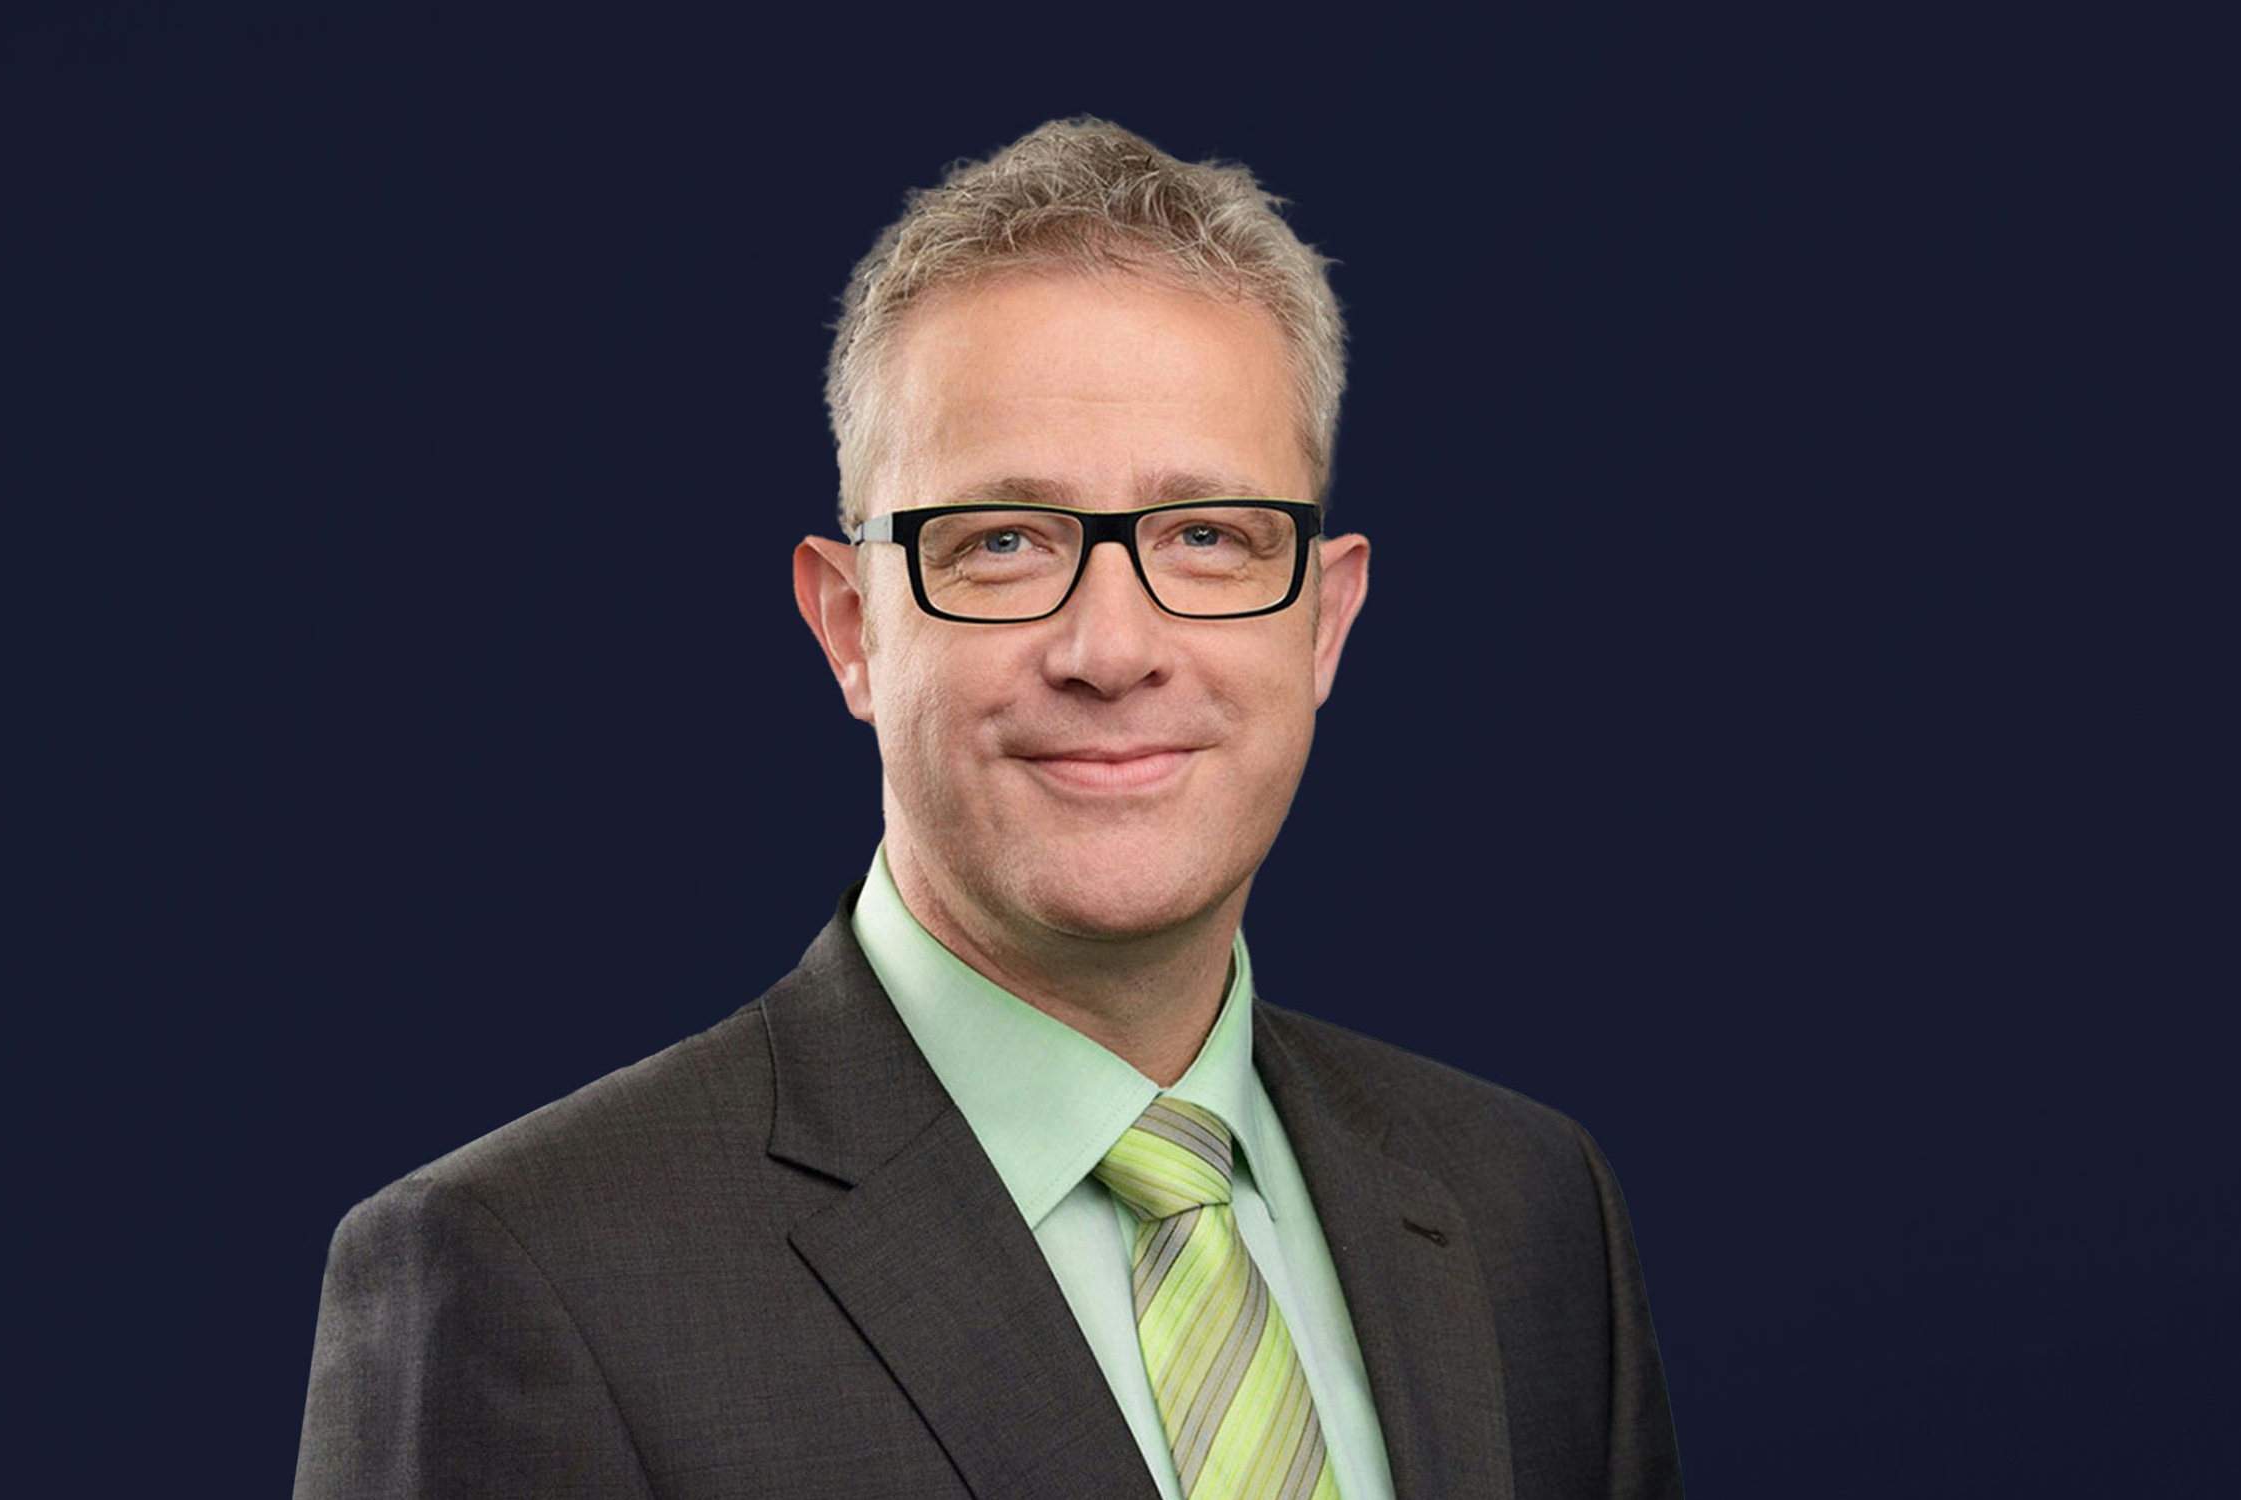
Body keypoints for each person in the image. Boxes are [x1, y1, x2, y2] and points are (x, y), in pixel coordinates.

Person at [293, 118, 1681, 1500]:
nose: (1112, 648)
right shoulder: (528, 1274)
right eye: (1004, 543)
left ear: (1324, 621)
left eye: (1208, 536)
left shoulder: (1527, 1211)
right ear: (849, 626)